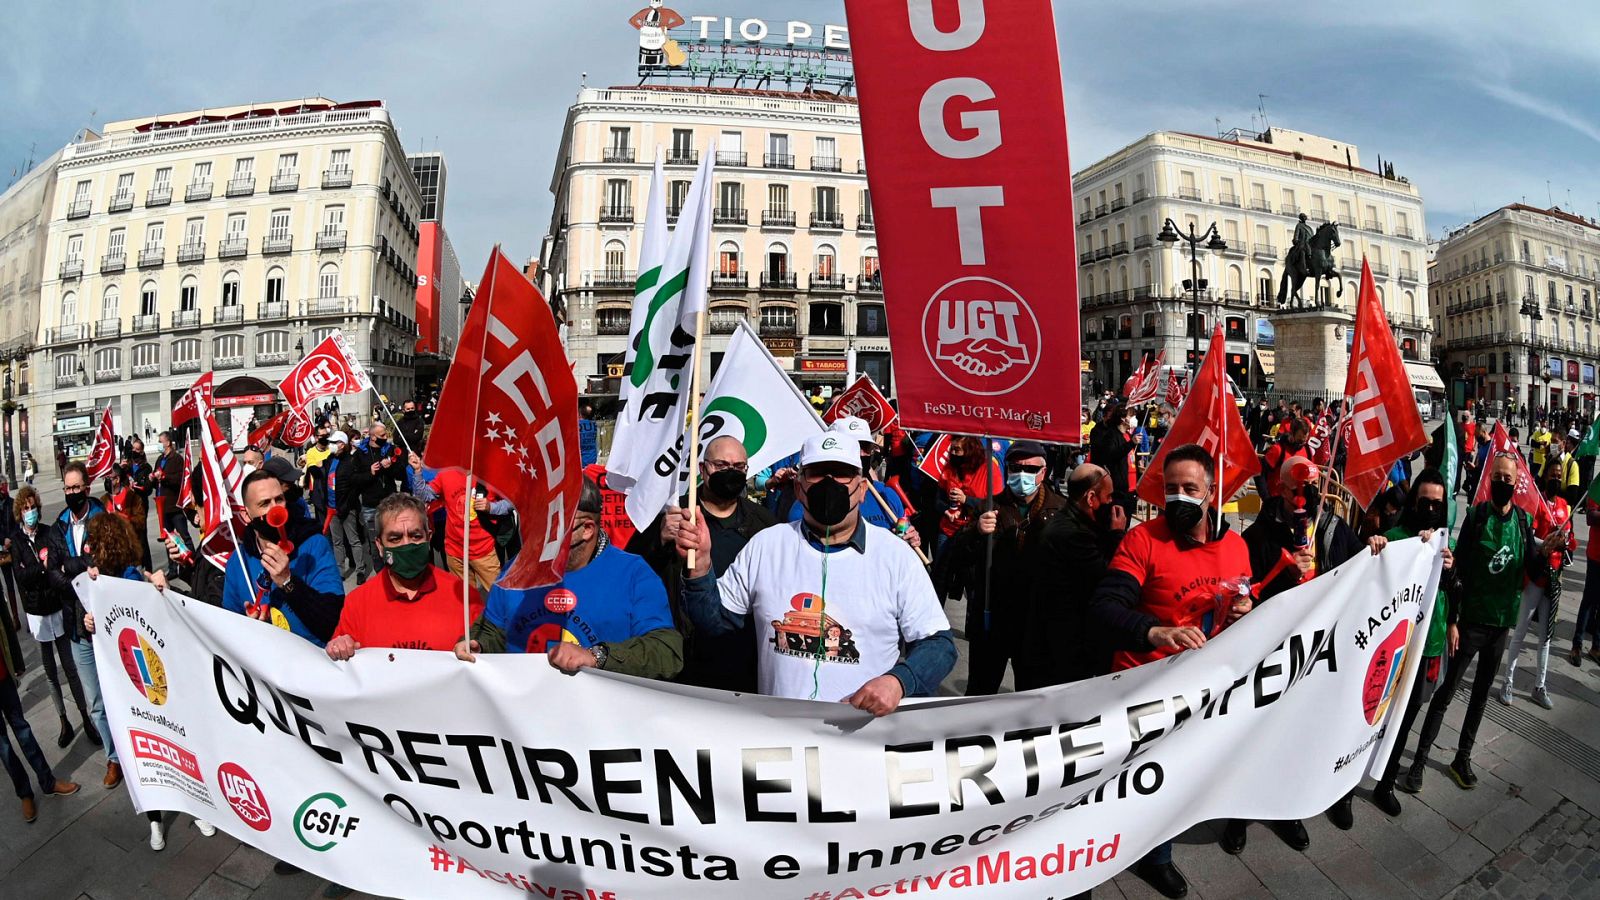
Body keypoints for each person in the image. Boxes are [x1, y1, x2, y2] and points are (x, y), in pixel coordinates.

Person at [677, 432, 956, 713]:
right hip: (782, 735)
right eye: (818, 473)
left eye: (842, 473)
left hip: (862, 736)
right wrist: (701, 569)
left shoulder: (895, 557)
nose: (830, 483)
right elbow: (714, 621)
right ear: (799, 488)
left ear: (861, 489)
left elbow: (940, 644)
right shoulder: (766, 545)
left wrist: (898, 682)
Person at [1088, 443, 1254, 899]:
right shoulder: (1144, 540)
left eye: (1190, 488)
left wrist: (1245, 608)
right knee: (1143, 778)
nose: (1179, 497)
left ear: (1211, 491)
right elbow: (1105, 608)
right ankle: (1148, 857)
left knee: (1180, 776)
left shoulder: (1237, 545)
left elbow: (1241, 600)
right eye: (1171, 489)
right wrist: (1156, 632)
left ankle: (1156, 846)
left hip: (1203, 689)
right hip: (1145, 686)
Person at [1235, 455, 1375, 846]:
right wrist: (1282, 579)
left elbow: (1362, 572)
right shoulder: (1260, 533)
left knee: (1299, 734)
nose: (1305, 496)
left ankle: (1289, 810)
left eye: (1312, 488)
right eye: (1297, 488)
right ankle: (1240, 812)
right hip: (1271, 651)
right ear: (1280, 489)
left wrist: (1376, 547)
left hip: (1316, 654)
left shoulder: (1332, 528)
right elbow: (1247, 592)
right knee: (1256, 734)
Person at [1408, 454, 1563, 792]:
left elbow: (1533, 571)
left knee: (1480, 697)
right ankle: (1418, 760)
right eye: (1498, 477)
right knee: (1445, 694)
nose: (1503, 484)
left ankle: (1461, 759)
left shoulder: (1523, 523)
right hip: (1470, 622)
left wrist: (1547, 555)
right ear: (1489, 477)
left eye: (1509, 479)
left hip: (1501, 626)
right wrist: (1453, 620)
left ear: (1516, 482)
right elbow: (1456, 570)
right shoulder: (1477, 518)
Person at [77, 513, 215, 849]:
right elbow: (93, 624)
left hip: (153, 673)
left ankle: (197, 806)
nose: (89, 549)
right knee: (143, 751)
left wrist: (158, 588)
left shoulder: (132, 574)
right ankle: (155, 818)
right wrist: (89, 622)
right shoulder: (93, 581)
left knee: (174, 739)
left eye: (95, 543)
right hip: (128, 680)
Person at [456, 478, 683, 680]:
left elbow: (666, 651)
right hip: (525, 719)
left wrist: (596, 656)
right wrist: (477, 644)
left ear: (586, 529)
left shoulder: (634, 574)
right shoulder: (516, 568)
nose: (535, 533)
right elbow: (492, 631)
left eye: (549, 524)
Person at [629, 435, 774, 692]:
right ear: (703, 469)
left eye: (738, 467)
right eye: (721, 465)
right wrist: (659, 540)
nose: (730, 472)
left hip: (743, 658)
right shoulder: (674, 514)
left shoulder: (765, 524)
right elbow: (632, 572)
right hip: (683, 659)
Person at [1362, 469, 1459, 815]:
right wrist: (1376, 548)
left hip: (1428, 645)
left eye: (1438, 503)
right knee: (1372, 716)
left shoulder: (1447, 542)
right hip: (1393, 648)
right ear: (1413, 502)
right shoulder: (1395, 536)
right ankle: (1344, 791)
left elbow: (1454, 590)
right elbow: (1373, 588)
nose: (1431, 509)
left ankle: (1385, 784)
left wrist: (1450, 572)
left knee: (1405, 720)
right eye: (1424, 502)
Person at [943, 440, 1064, 695]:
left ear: (1044, 472)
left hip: (1035, 622)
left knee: (1032, 696)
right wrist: (975, 532)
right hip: (992, 617)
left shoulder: (1061, 511)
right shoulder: (987, 506)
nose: (1022, 474)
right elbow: (956, 557)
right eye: (1015, 468)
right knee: (980, 692)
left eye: (1030, 470)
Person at [326, 494, 483, 659]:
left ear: (429, 537)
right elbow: (340, 654)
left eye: (415, 536)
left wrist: (478, 647)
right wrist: (339, 645)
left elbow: (488, 649)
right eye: (395, 538)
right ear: (380, 546)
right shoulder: (357, 603)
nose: (406, 544)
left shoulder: (464, 596)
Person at [44, 462, 121, 787]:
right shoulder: (58, 527)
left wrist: (71, 566)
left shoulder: (104, 519)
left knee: (119, 691)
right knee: (94, 701)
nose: (72, 493)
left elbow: (109, 563)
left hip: (108, 622)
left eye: (77, 488)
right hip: (77, 624)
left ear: (87, 488)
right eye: (67, 488)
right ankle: (113, 758)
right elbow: (53, 574)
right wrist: (78, 571)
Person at [1020, 463, 1128, 688]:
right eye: (1108, 497)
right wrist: (1117, 535)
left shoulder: (1074, 522)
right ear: (1091, 498)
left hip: (1057, 641)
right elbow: (1106, 577)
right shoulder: (1071, 534)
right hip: (1062, 647)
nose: (1111, 503)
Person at [6, 486, 94, 748]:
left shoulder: (48, 532)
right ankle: (63, 720)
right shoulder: (17, 542)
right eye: (25, 508)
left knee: (69, 666)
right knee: (49, 671)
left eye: (33, 507)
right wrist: (41, 569)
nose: (30, 512)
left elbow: (57, 562)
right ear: (19, 512)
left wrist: (46, 569)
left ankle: (84, 716)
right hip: (36, 612)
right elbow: (20, 577)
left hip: (56, 605)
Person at [221, 470, 346, 647]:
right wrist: (249, 627)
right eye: (265, 503)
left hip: (312, 660)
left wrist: (288, 582)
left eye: (279, 500)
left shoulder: (313, 546)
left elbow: (333, 620)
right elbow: (229, 627)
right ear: (246, 515)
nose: (275, 509)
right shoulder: (239, 561)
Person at [1, 598, 81, 823]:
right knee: (3, 746)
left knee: (22, 729)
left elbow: (5, 620)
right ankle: (24, 793)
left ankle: (47, 781)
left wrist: (17, 662)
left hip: (2, 675)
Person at [1499, 497, 1575, 709]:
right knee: (1521, 631)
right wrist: (1548, 542)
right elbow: (1530, 538)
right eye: (1552, 473)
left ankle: (1539, 686)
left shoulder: (1565, 506)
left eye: (1559, 475)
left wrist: (1565, 543)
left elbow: (1571, 542)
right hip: (1534, 579)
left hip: (1552, 582)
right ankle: (1508, 681)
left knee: (1545, 637)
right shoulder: (1538, 502)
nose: (1556, 477)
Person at [409, 454, 510, 593]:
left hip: (483, 551)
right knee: (466, 603)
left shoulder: (491, 473)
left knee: (499, 599)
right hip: (455, 552)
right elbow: (424, 496)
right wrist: (418, 472)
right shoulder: (446, 473)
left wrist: (491, 507)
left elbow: (512, 502)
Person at [345, 423, 407, 573]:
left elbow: (401, 473)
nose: (386, 438)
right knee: (375, 542)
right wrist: (370, 473)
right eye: (382, 436)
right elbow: (353, 479)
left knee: (394, 538)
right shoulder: (361, 454)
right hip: (370, 505)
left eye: (386, 435)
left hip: (390, 504)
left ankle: (395, 570)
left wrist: (390, 467)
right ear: (373, 437)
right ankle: (380, 573)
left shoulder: (389, 449)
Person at [152, 430, 192, 578]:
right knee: (168, 538)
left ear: (168, 442)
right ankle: (173, 568)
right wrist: (153, 478)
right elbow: (156, 478)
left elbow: (180, 480)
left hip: (174, 504)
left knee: (183, 535)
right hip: (162, 506)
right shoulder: (159, 459)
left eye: (161, 441)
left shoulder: (176, 459)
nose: (159, 444)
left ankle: (192, 561)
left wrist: (165, 476)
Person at [1571, 497, 1600, 667]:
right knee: (1589, 601)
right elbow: (1591, 517)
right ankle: (1577, 645)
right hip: (1596, 554)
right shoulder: (1597, 486)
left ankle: (1596, 646)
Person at [1089, 399, 1137, 494]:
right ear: (1123, 418)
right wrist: (1130, 443)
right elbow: (1111, 456)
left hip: (1129, 485)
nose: (1134, 419)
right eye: (1131, 416)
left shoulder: (1127, 435)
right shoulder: (1110, 435)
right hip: (1115, 487)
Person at [1261, 417, 1312, 498]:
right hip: (1276, 500)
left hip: (1296, 501)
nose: (1302, 443)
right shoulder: (1278, 450)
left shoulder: (1307, 450)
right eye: (1299, 440)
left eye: (1304, 440)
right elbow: (1260, 472)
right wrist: (1266, 497)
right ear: (1291, 433)